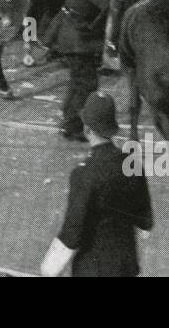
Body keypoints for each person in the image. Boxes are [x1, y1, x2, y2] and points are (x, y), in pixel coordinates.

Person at [41, 93, 153, 277]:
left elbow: (72, 234)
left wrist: (48, 269)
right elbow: (145, 221)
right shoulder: (132, 164)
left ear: (87, 129)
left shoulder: (83, 175)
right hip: (127, 265)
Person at [43, 0, 110, 142]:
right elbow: (108, 6)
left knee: (76, 80)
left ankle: (68, 116)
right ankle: (73, 125)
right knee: (87, 83)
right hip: (79, 39)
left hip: (66, 33)